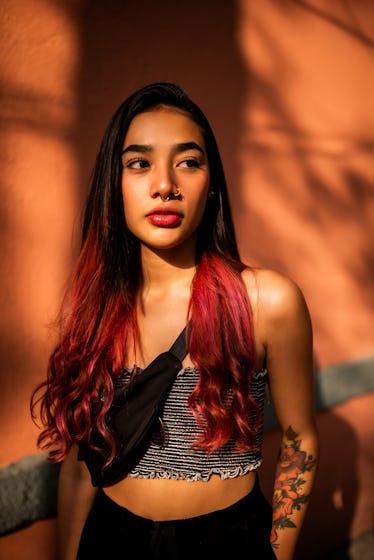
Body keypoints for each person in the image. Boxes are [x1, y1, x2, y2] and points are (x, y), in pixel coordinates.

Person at [31, 82, 319, 559]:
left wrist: (277, 553)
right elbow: (83, 467)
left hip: (227, 542)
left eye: (188, 161)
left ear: (212, 186)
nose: (165, 184)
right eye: (139, 163)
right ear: (114, 184)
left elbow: (299, 440)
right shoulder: (92, 312)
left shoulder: (266, 301)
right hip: (110, 539)